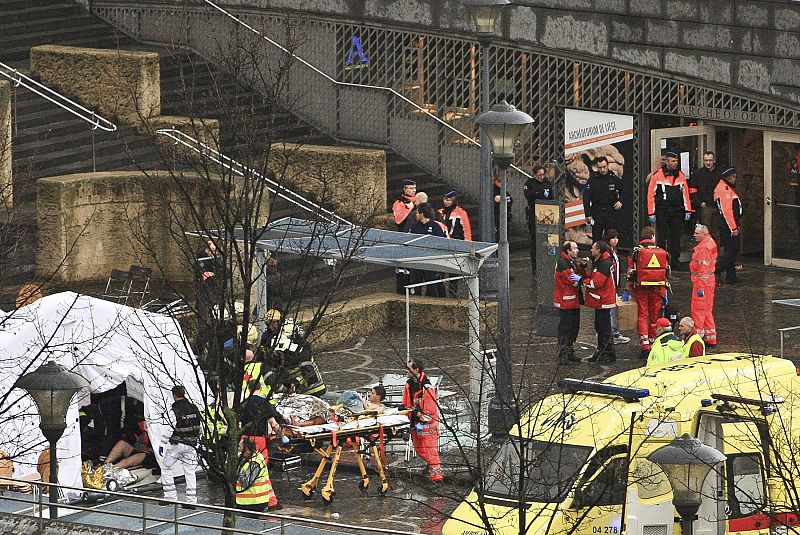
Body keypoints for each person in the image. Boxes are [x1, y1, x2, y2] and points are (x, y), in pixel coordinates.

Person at [628, 226, 669, 360]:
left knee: (642, 315)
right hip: (657, 289)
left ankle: (644, 345)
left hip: (641, 289)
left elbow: (631, 272)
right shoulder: (661, 252)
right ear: (652, 237)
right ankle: (653, 342)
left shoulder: (635, 252)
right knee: (654, 316)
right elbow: (666, 272)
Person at [647, 152, 692, 269]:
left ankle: (675, 261)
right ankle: (662, 261)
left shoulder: (680, 175)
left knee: (676, 236)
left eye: (676, 161)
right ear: (667, 162)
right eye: (673, 161)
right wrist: (651, 212)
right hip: (662, 209)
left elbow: (685, 194)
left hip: (677, 210)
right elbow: (650, 195)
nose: (675, 163)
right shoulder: (658, 176)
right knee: (662, 236)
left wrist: (688, 210)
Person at [402, 358, 442, 483]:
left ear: (416, 369)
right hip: (415, 422)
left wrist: (420, 416)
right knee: (419, 448)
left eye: (409, 369)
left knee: (430, 450)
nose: (406, 371)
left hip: (427, 424)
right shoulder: (409, 384)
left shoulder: (427, 387)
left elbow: (430, 408)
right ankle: (432, 464)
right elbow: (406, 403)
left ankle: (437, 477)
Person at [160, 385, 201, 505]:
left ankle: (170, 497)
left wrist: (163, 443)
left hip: (177, 444)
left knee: (166, 467)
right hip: (192, 444)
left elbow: (170, 427)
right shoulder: (194, 408)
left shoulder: (175, 409)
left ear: (174, 395)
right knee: (190, 471)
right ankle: (191, 501)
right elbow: (200, 425)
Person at [583, 241, 616, 364]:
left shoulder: (603, 263)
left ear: (599, 250)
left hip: (603, 300)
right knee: (600, 326)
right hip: (602, 300)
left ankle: (606, 353)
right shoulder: (601, 261)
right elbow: (594, 276)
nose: (591, 250)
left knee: (603, 328)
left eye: (593, 248)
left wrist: (582, 281)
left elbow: (596, 282)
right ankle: (603, 351)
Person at [553, 241, 583, 364]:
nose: (577, 250)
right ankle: (563, 354)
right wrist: (581, 280)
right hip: (566, 301)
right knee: (566, 328)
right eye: (575, 248)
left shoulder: (570, 262)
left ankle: (569, 351)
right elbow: (571, 280)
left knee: (574, 327)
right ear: (568, 251)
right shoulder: (563, 263)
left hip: (573, 300)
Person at [409, 203, 447, 297]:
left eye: (417, 213)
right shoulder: (415, 226)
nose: (416, 215)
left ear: (422, 214)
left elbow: (442, 241)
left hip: (430, 260)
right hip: (417, 260)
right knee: (415, 283)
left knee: (432, 285)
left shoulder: (435, 226)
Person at [439, 191, 472, 296]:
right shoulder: (440, 212)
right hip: (443, 244)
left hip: (456, 244)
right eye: (444, 199)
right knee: (441, 270)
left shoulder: (461, 212)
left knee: (454, 271)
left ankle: (453, 293)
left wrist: (467, 246)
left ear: (453, 200)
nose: (445, 202)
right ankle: (442, 293)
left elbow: (466, 230)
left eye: (448, 200)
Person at [690, 225, 718, 348]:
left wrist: (700, 288)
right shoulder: (710, 243)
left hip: (701, 284)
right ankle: (711, 338)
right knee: (707, 311)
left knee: (698, 311)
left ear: (704, 234)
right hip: (709, 282)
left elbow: (703, 270)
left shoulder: (703, 248)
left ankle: (697, 339)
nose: (694, 235)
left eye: (697, 233)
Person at [584, 156, 623, 243]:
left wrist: (621, 201)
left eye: (604, 167)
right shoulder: (593, 179)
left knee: (611, 236)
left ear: (607, 165)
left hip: (611, 211)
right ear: (597, 167)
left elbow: (624, 190)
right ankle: (596, 255)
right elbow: (586, 197)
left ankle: (611, 254)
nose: (602, 169)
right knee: (597, 237)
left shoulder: (613, 178)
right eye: (600, 167)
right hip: (597, 211)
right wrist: (588, 214)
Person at [714, 167, 743, 285]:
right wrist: (734, 228)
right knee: (732, 250)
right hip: (728, 225)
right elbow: (727, 211)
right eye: (734, 176)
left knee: (730, 250)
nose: (735, 179)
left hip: (729, 224)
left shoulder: (725, 187)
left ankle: (731, 275)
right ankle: (716, 269)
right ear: (729, 177)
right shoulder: (725, 189)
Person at [523, 165, 553, 271]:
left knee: (547, 240)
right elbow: (528, 195)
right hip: (534, 213)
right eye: (539, 175)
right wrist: (540, 193)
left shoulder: (547, 183)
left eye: (543, 174)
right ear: (535, 175)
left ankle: (547, 263)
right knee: (535, 240)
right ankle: (535, 266)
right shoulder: (529, 183)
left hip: (546, 214)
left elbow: (551, 197)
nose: (541, 177)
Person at [603, 229, 630, 345]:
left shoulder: (614, 251)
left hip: (615, 285)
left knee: (613, 310)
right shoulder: (608, 252)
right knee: (611, 311)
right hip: (610, 286)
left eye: (617, 238)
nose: (616, 240)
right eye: (613, 238)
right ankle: (612, 333)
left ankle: (611, 332)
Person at [235, 437, 273, 515]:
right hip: (253, 501)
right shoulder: (254, 457)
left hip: (252, 502)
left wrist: (236, 468)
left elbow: (246, 482)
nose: (238, 449)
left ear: (246, 450)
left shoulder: (255, 462)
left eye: (239, 447)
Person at [392, 179, 417, 293]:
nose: (414, 190)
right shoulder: (399, 203)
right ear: (404, 189)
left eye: (414, 188)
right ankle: (402, 290)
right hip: (403, 236)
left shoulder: (416, 201)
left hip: (415, 236)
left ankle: (413, 288)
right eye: (411, 188)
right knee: (402, 266)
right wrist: (410, 208)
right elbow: (398, 220)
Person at [691, 151, 722, 236]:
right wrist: (699, 203)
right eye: (706, 160)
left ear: (714, 161)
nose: (708, 163)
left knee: (717, 232)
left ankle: (716, 249)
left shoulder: (720, 173)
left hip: (718, 206)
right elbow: (693, 190)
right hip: (705, 207)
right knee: (705, 232)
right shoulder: (698, 173)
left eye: (710, 160)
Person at [492, 171, 513, 243]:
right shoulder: (493, 191)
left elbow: (510, 201)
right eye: (499, 181)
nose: (501, 183)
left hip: (506, 218)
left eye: (504, 181)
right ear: (495, 181)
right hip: (497, 219)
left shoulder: (505, 191)